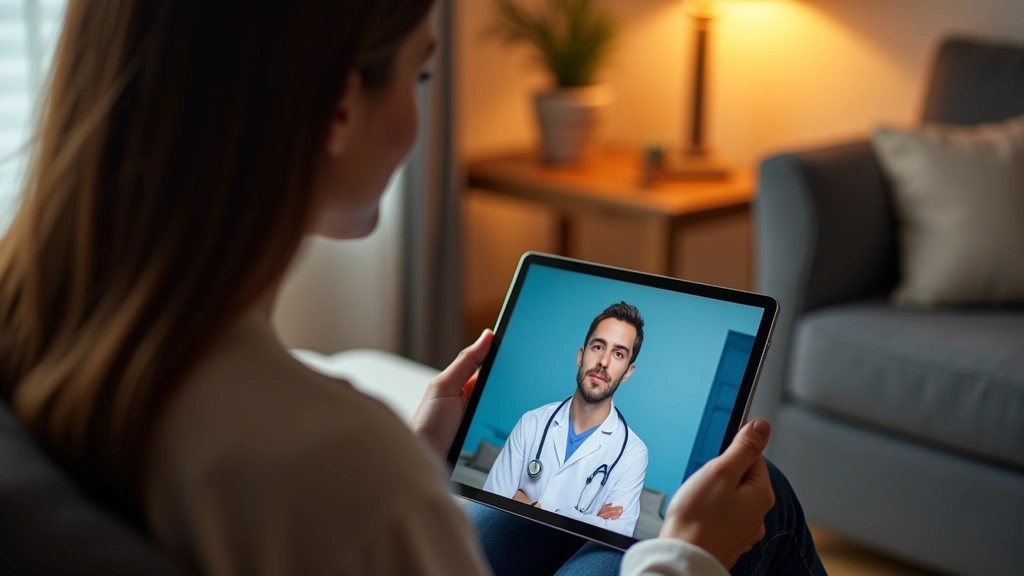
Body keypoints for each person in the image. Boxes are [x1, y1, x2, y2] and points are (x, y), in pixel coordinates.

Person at [0, 1, 827, 575]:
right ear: (339, 109)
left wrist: (415, 458)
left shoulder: (37, 325)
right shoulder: (339, 465)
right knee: (763, 505)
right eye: (421, 78)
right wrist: (685, 558)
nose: (419, 115)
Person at [483, 302, 649, 537]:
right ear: (581, 355)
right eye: (598, 347)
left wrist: (532, 505)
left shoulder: (633, 453)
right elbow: (490, 508)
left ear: (628, 373)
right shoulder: (532, 423)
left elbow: (617, 534)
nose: (603, 362)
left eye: (618, 354)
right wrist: (590, 520)